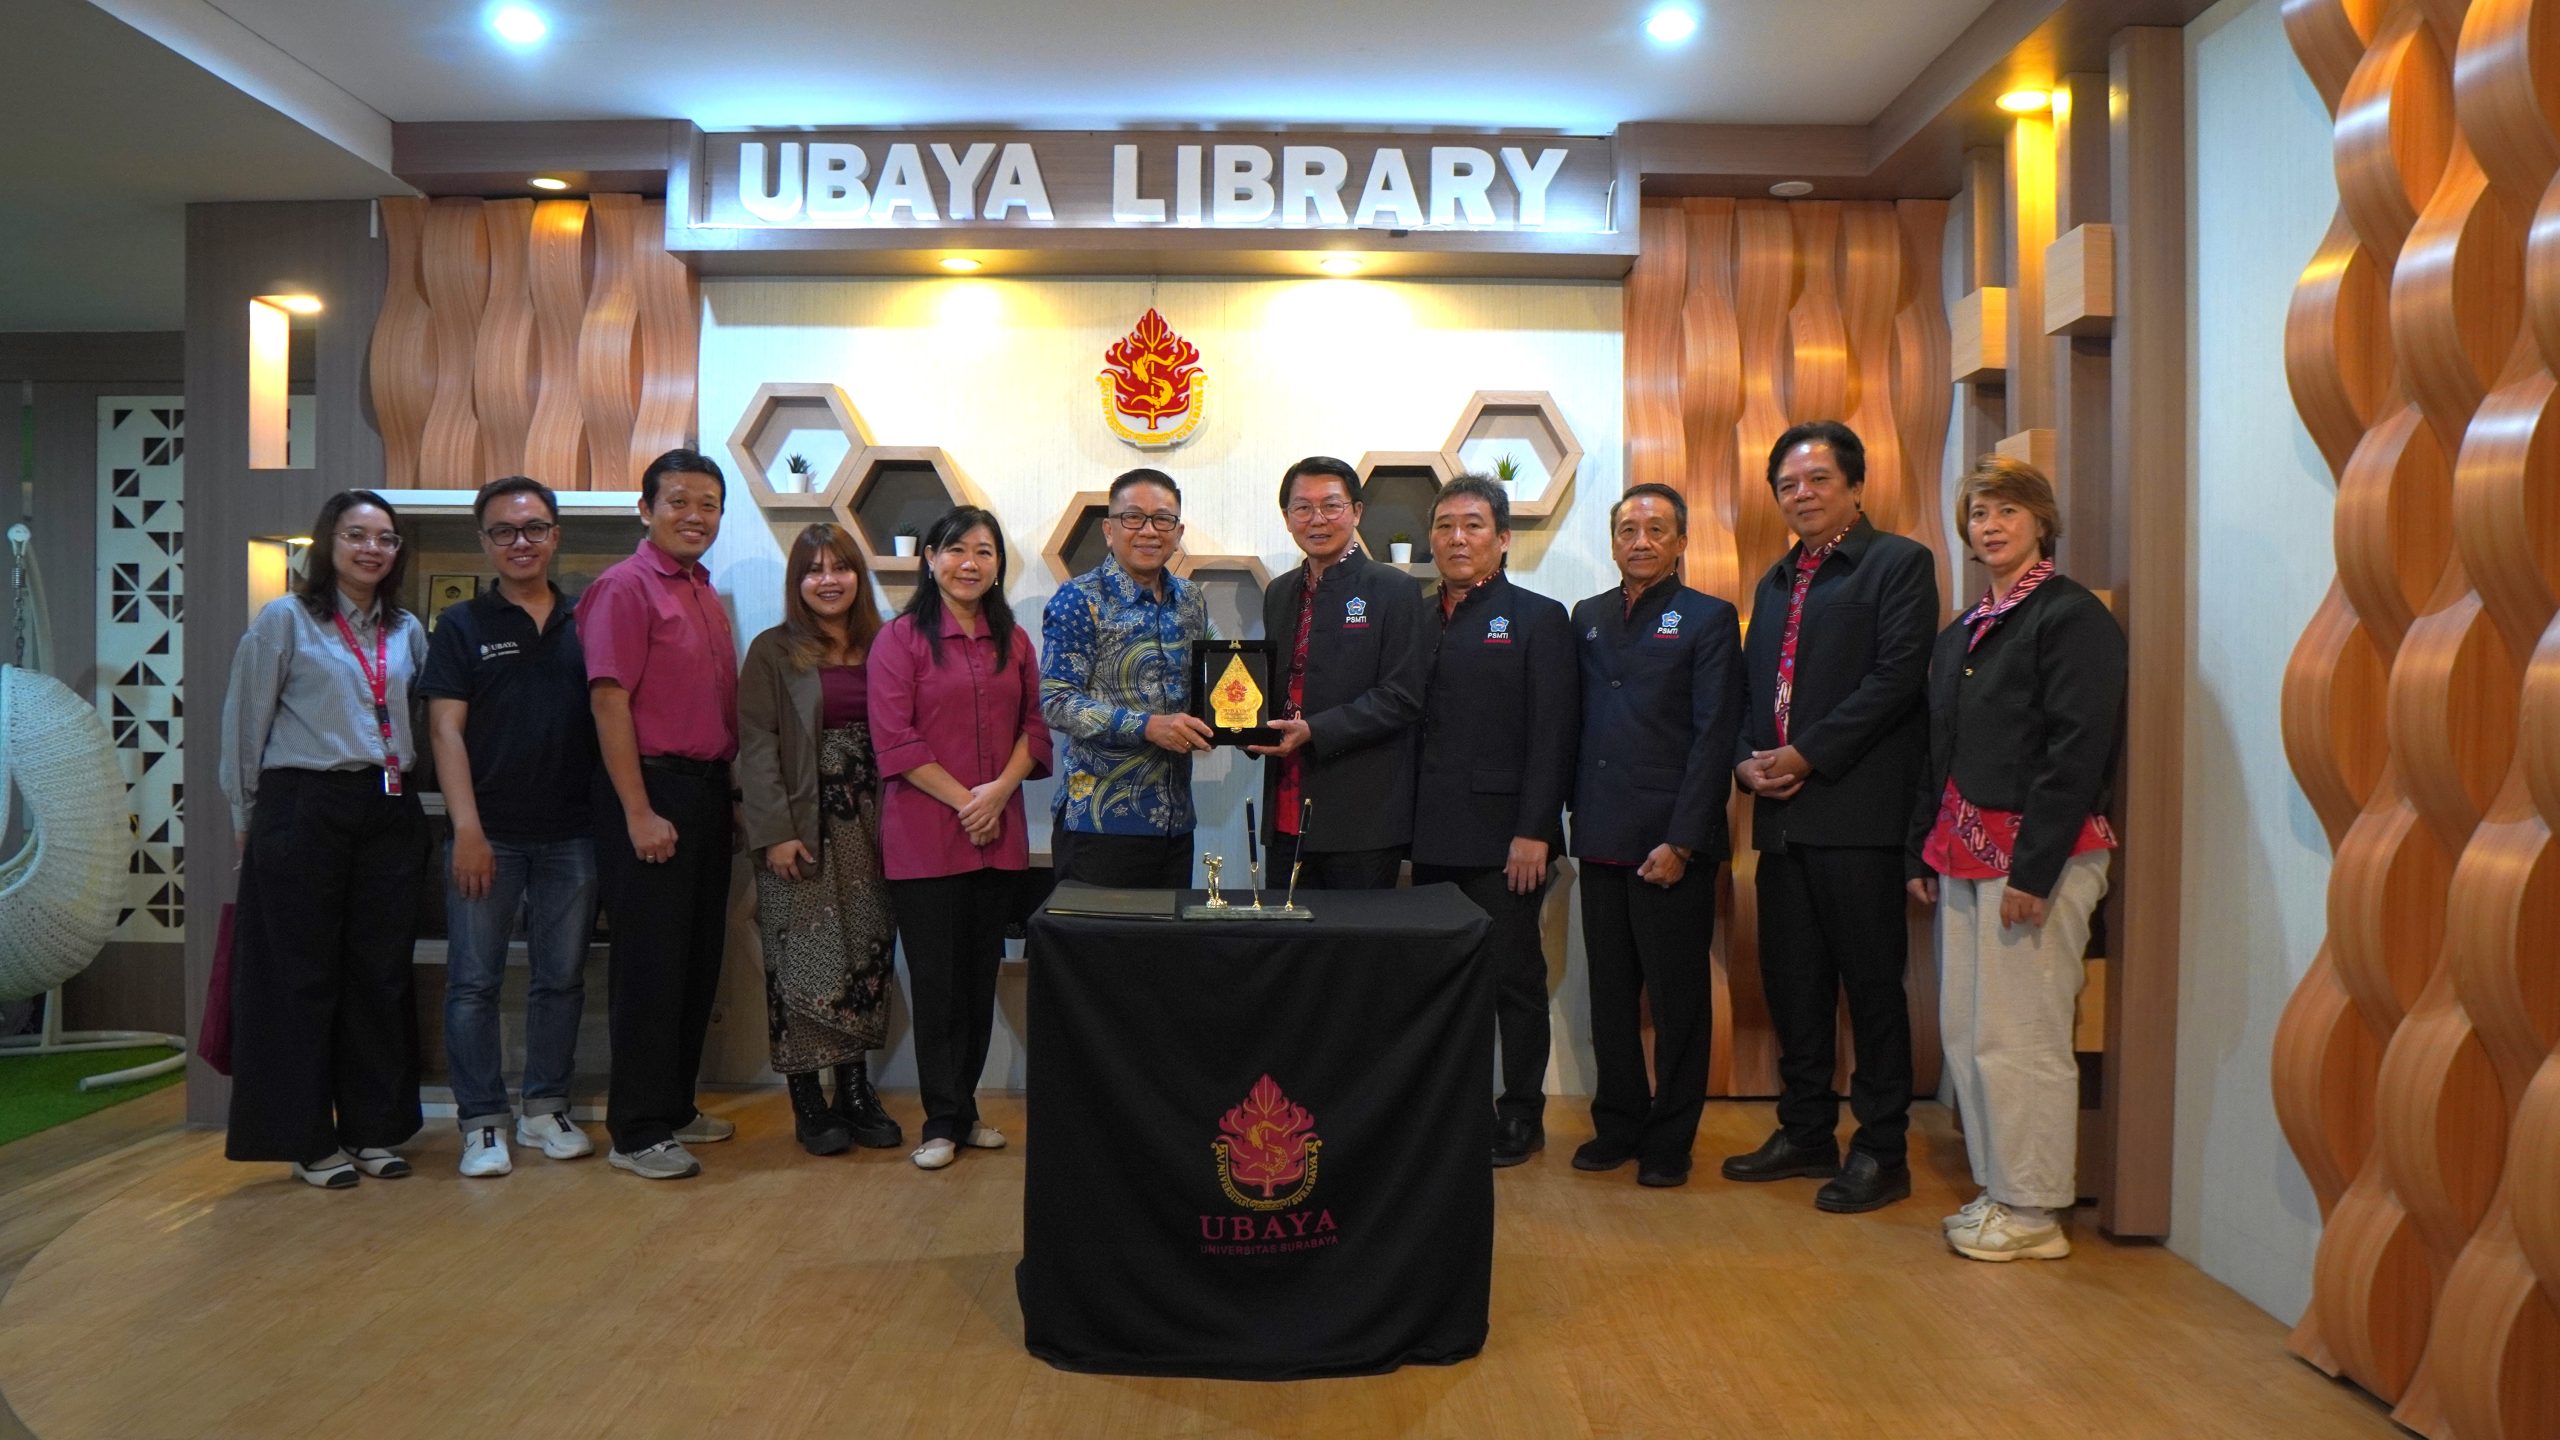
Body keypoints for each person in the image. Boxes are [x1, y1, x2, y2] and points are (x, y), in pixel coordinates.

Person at [1908, 455, 2123, 1262]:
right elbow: (1939, 750)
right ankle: (2002, 1190)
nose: (1990, 525)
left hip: (2039, 860)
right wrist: (1921, 849)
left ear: (2041, 522)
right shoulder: (1964, 630)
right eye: (1978, 513)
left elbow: (2078, 749)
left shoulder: (2070, 616)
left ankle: (2034, 1212)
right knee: (1970, 1035)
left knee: (2023, 1037)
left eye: (2006, 510)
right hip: (1961, 854)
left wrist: (2033, 871)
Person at [1724, 419, 1941, 1214]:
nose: (1802, 494)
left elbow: (1896, 678)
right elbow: (1754, 690)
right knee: (1795, 985)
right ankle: (1805, 1130)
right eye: (1788, 484)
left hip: (1858, 815)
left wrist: (1807, 754)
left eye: (1818, 480)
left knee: (1872, 988)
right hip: (1782, 820)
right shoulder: (1776, 580)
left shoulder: (1899, 564)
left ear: (1855, 485)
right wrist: (1746, 760)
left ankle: (1882, 1150)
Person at [218, 490, 429, 1188]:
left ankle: (373, 1129)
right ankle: (307, 1139)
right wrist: (245, 817)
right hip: (303, 802)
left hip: (388, 804)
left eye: (385, 538)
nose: (372, 549)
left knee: (379, 974)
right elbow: (245, 719)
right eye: (356, 535)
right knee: (299, 976)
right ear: (328, 543)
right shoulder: (285, 619)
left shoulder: (406, 629)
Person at [420, 476, 600, 1177]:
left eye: (533, 528)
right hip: (487, 833)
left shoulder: (588, 618)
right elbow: (445, 730)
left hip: (574, 834)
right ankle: (482, 1122)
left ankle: (545, 1108)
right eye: (504, 530)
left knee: (561, 978)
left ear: (556, 536)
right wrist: (466, 829)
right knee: (473, 982)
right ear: (484, 542)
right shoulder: (461, 624)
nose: (520, 542)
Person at [1567, 483, 1742, 1188]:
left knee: (1677, 1004)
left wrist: (1684, 841)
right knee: (1610, 997)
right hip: (1601, 833)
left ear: (1681, 542)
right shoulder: (1587, 616)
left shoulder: (1708, 617)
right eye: (1628, 530)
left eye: (1656, 530)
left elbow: (1714, 736)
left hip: (1671, 844)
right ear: (1613, 540)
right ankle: (1618, 1123)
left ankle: (1671, 1138)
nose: (1640, 541)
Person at [870, 505, 1053, 1171]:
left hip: (996, 835)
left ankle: (966, 1110)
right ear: (929, 559)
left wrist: (997, 794)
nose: (969, 563)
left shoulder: (1015, 642)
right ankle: (940, 1120)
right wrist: (968, 802)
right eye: (954, 550)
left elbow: (1035, 729)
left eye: (983, 551)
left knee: (978, 979)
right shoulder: (900, 640)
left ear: (998, 565)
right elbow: (895, 740)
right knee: (937, 983)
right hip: (924, 840)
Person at [578, 448, 741, 1181]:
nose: (694, 516)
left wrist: (729, 797)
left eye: (708, 504)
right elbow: (608, 702)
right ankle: (637, 1129)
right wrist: (638, 811)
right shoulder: (624, 587)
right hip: (649, 791)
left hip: (703, 793)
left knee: (695, 960)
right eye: (678, 501)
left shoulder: (701, 590)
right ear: (645, 510)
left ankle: (673, 1105)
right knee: (649, 967)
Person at [1409, 475, 1577, 1168]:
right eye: (1445, 525)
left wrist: (1535, 829)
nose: (1457, 538)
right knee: (1444, 982)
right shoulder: (1414, 618)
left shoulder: (1538, 617)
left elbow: (1553, 732)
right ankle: (1457, 1109)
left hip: (1507, 838)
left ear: (1503, 539)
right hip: (1427, 834)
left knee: (1514, 978)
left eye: (1473, 525)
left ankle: (1522, 1114)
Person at [738, 523, 904, 1157]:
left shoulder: (887, 643)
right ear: (797, 581)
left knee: (865, 954)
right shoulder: (772, 650)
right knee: (802, 956)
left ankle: (855, 1091)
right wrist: (775, 833)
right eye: (814, 569)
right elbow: (757, 745)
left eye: (840, 567)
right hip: (800, 828)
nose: (828, 580)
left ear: (859, 575)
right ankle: (808, 1097)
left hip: (874, 825)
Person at [1249, 456, 1428, 889]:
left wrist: (1315, 730)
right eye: (1302, 507)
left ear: (1357, 512)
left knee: (1355, 932)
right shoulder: (1279, 591)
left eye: (1331, 505)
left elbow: (1402, 696)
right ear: (1287, 518)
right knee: (1283, 928)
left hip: (1362, 815)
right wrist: (1242, 725)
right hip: (1285, 803)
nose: (1317, 519)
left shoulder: (1395, 589)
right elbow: (1277, 685)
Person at [1040, 467, 1212, 888]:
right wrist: (1147, 726)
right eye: (1133, 517)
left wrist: (1236, 725)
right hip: (1099, 823)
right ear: (1109, 529)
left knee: (1168, 933)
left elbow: (1206, 684)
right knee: (1097, 934)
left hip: (1174, 820)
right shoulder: (1078, 599)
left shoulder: (1190, 600)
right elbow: (1056, 701)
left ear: (1178, 531)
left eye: (1163, 519)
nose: (1148, 531)